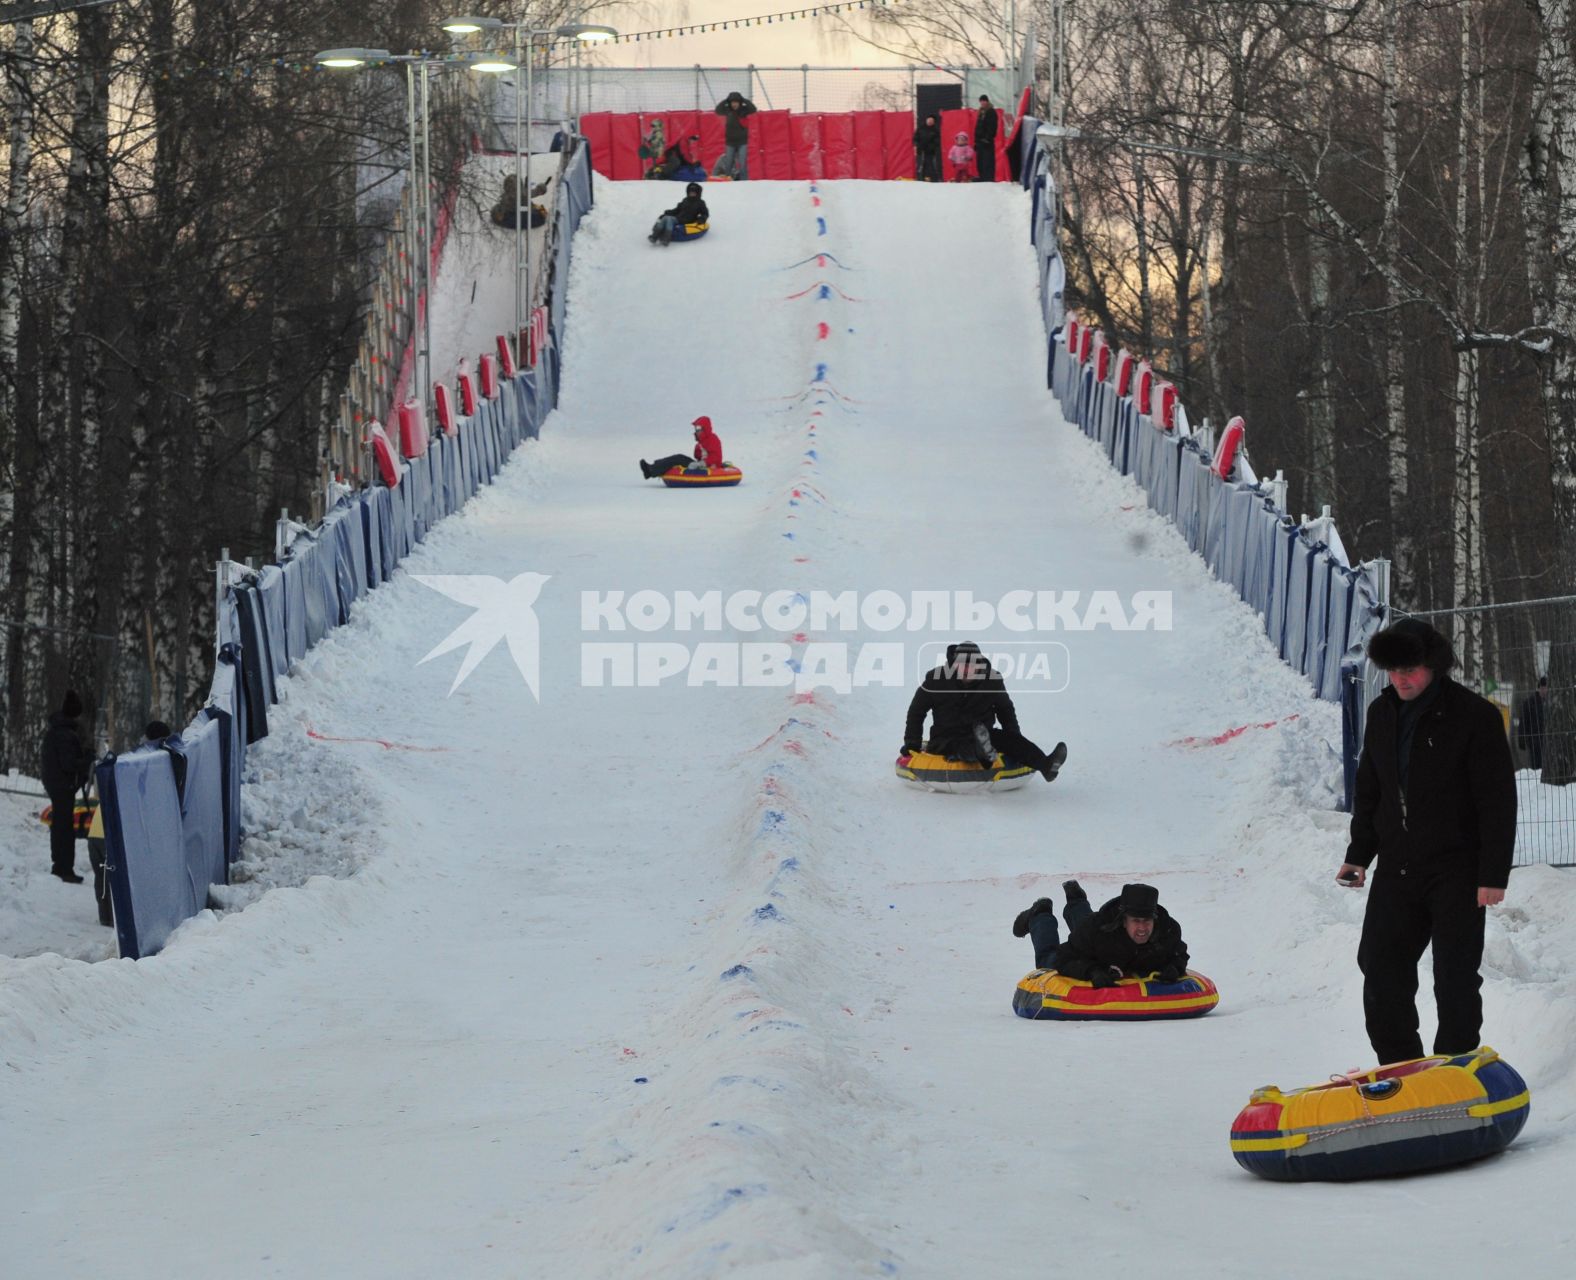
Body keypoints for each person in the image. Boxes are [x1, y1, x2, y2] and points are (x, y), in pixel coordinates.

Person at [1338, 617, 1517, 1065]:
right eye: (1394, 668)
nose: (1402, 678)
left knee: (1454, 976)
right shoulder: (1380, 713)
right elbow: (1370, 789)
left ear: (1433, 666)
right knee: (1379, 968)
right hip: (1397, 866)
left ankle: (1456, 1066)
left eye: (1412, 668)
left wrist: (1492, 873)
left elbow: (1497, 801)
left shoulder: (1474, 716)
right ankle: (1402, 1065)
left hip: (1457, 868)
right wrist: (1359, 854)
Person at [902, 641, 1067, 781]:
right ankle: (981, 752)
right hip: (947, 737)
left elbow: (1005, 710)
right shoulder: (935, 681)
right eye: (962, 665)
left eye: (971, 665)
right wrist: (912, 744)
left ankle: (1047, 765)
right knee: (962, 746)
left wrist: (1013, 736)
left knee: (1007, 740)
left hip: (983, 733)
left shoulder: (991, 681)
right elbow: (916, 712)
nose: (966, 669)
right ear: (954, 664)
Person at [1013, 881, 1189, 981]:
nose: (1142, 928)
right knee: (1048, 960)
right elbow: (1063, 958)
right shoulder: (1099, 930)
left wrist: (1174, 967)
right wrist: (1091, 971)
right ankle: (1040, 915)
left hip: (1098, 939)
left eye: (1147, 921)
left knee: (1086, 927)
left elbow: (1179, 954)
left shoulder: (1167, 931)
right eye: (1136, 921)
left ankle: (1076, 901)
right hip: (1093, 950)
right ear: (1124, 920)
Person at [40, 689, 92, 883]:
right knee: (64, 827)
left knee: (61, 825)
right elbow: (69, 764)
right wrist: (85, 759)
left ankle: (61, 865)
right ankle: (63, 867)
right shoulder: (65, 734)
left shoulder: (58, 730)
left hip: (57, 784)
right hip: (63, 785)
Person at [642, 415, 724, 479]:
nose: (696, 430)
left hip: (710, 467)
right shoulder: (702, 442)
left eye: (699, 428)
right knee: (679, 457)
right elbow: (697, 455)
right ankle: (652, 467)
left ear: (705, 428)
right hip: (700, 465)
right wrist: (698, 448)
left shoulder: (713, 439)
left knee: (679, 459)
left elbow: (716, 457)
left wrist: (701, 463)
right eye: (695, 428)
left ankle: (651, 470)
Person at [647, 181, 709, 246]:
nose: (692, 194)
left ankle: (666, 239)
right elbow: (677, 210)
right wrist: (668, 212)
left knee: (669, 219)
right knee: (665, 217)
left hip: (688, 220)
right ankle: (654, 237)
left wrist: (702, 218)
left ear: (697, 193)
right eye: (690, 192)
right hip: (679, 218)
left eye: (693, 193)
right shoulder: (685, 200)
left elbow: (705, 213)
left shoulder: (700, 203)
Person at [713, 91, 758, 180]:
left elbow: (753, 109)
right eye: (732, 102)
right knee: (728, 164)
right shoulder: (727, 110)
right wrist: (726, 101)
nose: (734, 104)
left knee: (742, 164)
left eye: (736, 102)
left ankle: (744, 181)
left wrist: (744, 100)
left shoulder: (744, 110)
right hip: (730, 142)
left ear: (739, 102)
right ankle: (728, 181)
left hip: (742, 142)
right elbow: (718, 110)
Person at [1515, 676, 1548, 770]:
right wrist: (1521, 739)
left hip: (1548, 739)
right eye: (1543, 688)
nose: (1545, 690)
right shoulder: (1529, 703)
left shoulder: (1551, 702)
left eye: (1546, 688)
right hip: (1534, 741)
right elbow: (1523, 721)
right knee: (1537, 766)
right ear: (1539, 688)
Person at [974, 95, 999, 182]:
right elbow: (977, 128)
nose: (982, 103)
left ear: (987, 101)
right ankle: (982, 177)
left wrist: (987, 138)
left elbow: (992, 127)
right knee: (980, 162)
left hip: (987, 142)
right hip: (980, 142)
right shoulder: (981, 112)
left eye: (984, 101)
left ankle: (988, 179)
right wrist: (976, 142)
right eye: (981, 101)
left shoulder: (991, 112)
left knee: (987, 162)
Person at [912, 113, 942, 182]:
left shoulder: (935, 130)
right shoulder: (921, 128)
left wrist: (931, 147)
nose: (929, 121)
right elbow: (915, 137)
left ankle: (933, 178)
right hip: (920, 150)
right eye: (928, 120)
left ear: (934, 122)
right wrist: (917, 144)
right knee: (920, 164)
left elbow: (937, 141)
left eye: (931, 120)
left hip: (930, 151)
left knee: (930, 163)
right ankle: (921, 177)